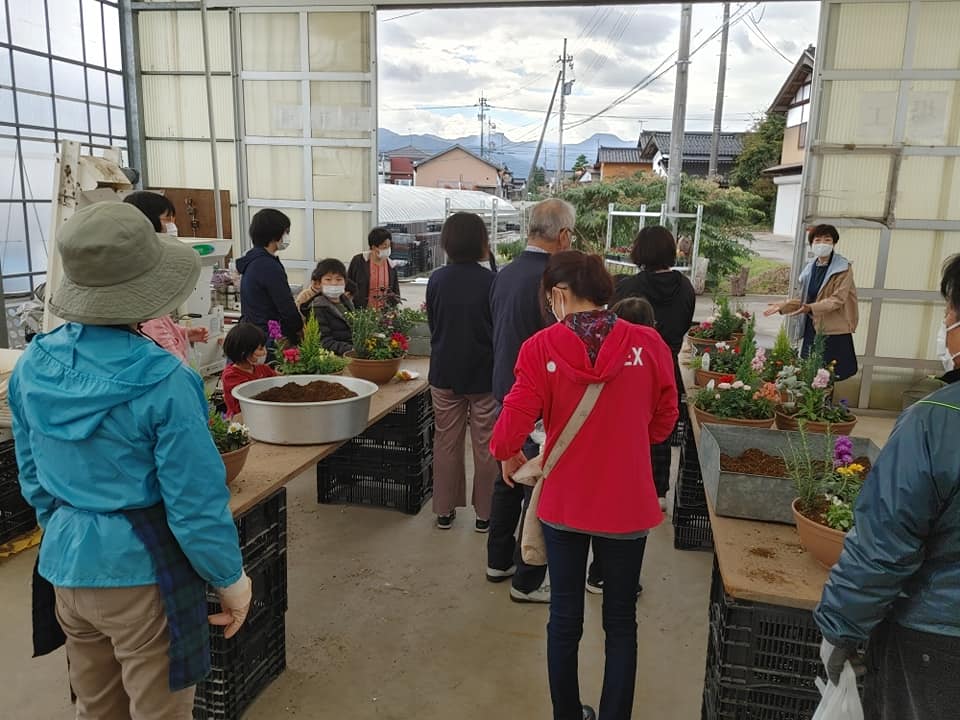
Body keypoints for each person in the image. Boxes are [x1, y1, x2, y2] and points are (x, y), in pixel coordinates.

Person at [9, 202, 251, 719]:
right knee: (158, 711)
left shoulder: (33, 364)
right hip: (142, 574)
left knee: (96, 707)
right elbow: (194, 503)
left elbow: (32, 475)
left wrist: (70, 527)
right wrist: (231, 579)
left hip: (64, 565)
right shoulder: (166, 379)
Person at [491, 251, 678, 720]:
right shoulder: (649, 343)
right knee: (621, 622)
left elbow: (513, 423)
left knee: (564, 618)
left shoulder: (540, 347)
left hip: (565, 502)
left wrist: (508, 453)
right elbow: (665, 419)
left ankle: (567, 714)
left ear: (559, 294)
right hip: (628, 503)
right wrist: (628, 439)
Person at [813, 254, 960, 720]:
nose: (946, 323)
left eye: (950, 311)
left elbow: (885, 543)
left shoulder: (935, 422)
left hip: (936, 639)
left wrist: (840, 629)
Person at [487, 198, 576, 604]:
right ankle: (528, 578)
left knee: (507, 475)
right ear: (563, 235)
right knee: (534, 484)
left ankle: (498, 559)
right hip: (538, 399)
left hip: (504, 387)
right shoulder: (554, 281)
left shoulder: (504, 274)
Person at [612, 226, 695, 507]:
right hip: (668, 364)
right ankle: (658, 490)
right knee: (661, 428)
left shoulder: (628, 287)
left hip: (631, 369)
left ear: (639, 251)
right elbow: (684, 325)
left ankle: (625, 483)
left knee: (628, 429)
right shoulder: (685, 287)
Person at [426, 213, 498, 531]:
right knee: (486, 445)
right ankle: (486, 514)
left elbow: (434, 325)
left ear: (448, 242)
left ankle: (444, 510)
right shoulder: (491, 281)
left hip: (444, 371)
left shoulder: (437, 279)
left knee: (446, 441)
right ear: (481, 241)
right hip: (484, 373)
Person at [585, 295, 658, 597]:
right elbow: (665, 408)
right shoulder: (653, 354)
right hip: (632, 448)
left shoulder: (597, 353)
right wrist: (648, 437)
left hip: (597, 447)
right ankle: (620, 579)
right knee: (627, 514)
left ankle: (598, 573)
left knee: (600, 507)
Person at [764, 224, 859, 380]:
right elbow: (804, 300)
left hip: (833, 330)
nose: (822, 244)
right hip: (812, 327)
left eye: (827, 240)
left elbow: (837, 299)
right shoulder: (809, 268)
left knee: (829, 375)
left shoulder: (843, 268)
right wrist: (784, 305)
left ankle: (827, 396)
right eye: (818, 240)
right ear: (812, 244)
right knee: (810, 372)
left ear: (834, 243)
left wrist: (810, 308)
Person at [123, 191, 210, 361]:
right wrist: (181, 368)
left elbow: (159, 325)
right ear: (147, 221)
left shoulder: (142, 263)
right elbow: (153, 331)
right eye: (167, 219)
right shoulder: (141, 273)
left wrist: (183, 333)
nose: (172, 225)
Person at [236, 208, 303, 346]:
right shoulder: (268, 266)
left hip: (253, 332)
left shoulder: (252, 261)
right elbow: (285, 305)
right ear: (275, 234)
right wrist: (298, 328)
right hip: (270, 335)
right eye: (286, 232)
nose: (287, 236)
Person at [295, 259, 355, 356]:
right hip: (334, 358)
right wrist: (352, 349)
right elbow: (324, 342)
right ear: (319, 283)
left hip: (351, 355)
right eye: (328, 279)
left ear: (345, 282)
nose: (334, 283)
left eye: (339, 279)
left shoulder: (347, 303)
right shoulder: (317, 308)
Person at [221, 323, 278, 417]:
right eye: (260, 349)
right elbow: (251, 397)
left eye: (264, 347)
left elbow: (277, 380)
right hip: (242, 418)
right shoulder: (231, 376)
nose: (265, 352)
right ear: (244, 353)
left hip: (263, 413)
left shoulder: (262, 368)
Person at [348, 227, 400, 310]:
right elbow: (349, 282)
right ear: (374, 247)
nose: (387, 249)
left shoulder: (391, 265)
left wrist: (393, 309)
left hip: (384, 313)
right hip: (361, 312)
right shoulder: (359, 261)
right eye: (384, 246)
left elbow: (395, 291)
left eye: (389, 246)